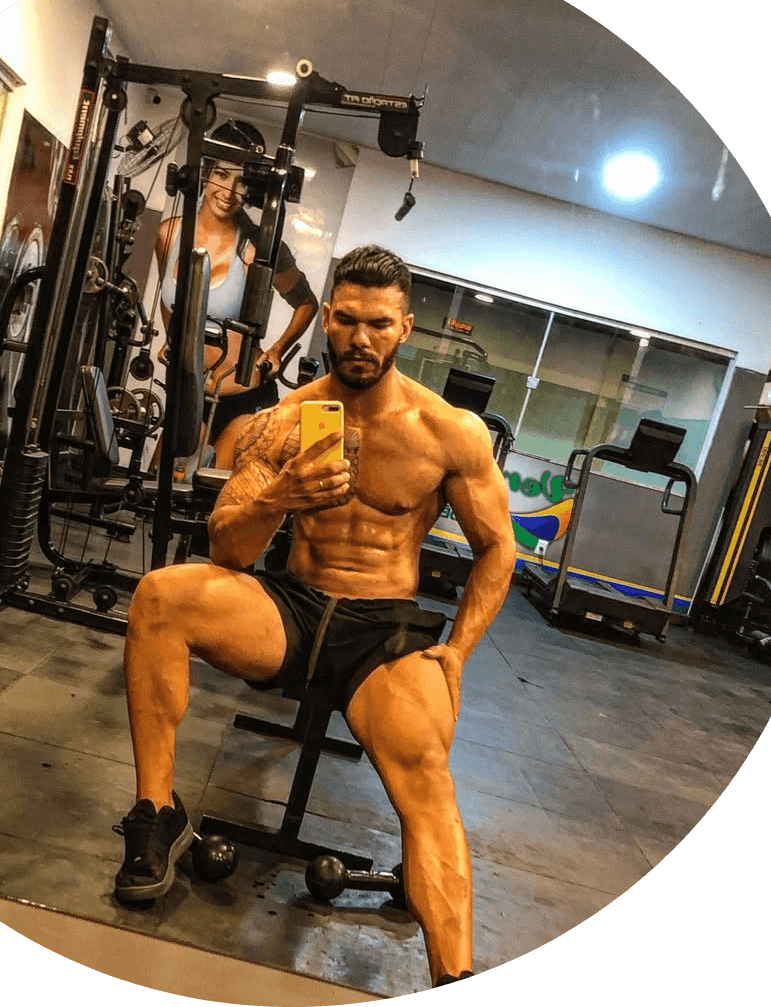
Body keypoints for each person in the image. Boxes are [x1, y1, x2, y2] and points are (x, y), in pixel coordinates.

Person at [116, 245, 517, 988]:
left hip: (384, 631)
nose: (361, 338)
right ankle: (155, 812)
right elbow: (228, 549)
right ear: (327, 318)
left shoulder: (448, 431)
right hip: (294, 608)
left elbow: (499, 548)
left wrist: (457, 651)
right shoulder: (284, 419)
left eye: (379, 324)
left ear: (405, 328)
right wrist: (282, 497)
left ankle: (453, 972)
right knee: (161, 596)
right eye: (348, 320)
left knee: (427, 777)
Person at [155, 120, 317, 464]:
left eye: (242, 181)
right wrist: (172, 339)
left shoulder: (257, 247)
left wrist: (277, 350)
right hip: (189, 392)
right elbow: (171, 300)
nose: (229, 192)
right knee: (161, 479)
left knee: (216, 492)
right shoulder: (168, 235)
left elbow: (307, 303)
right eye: (222, 174)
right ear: (206, 172)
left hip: (244, 394)